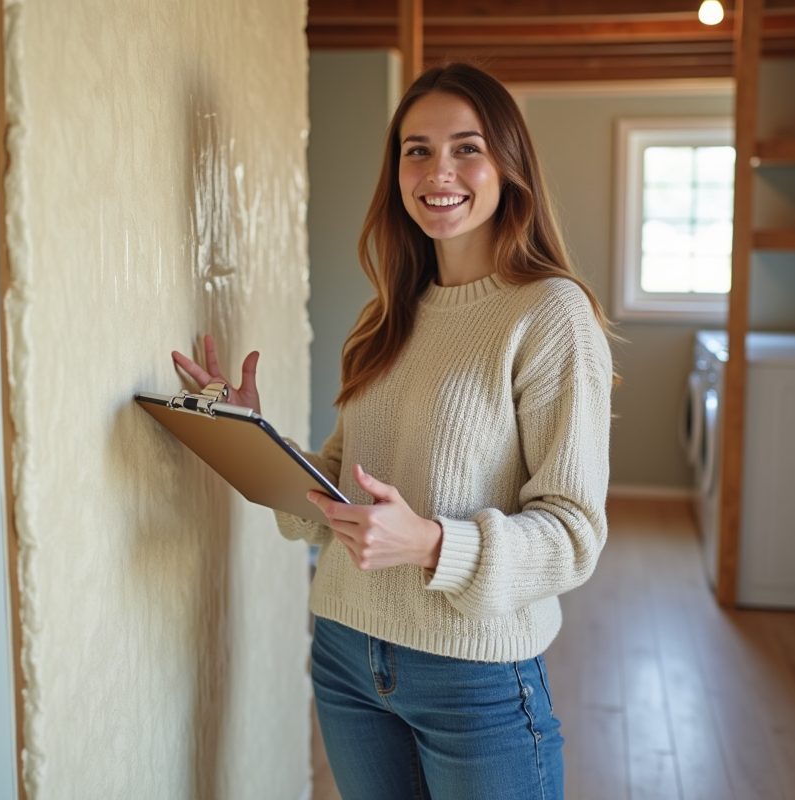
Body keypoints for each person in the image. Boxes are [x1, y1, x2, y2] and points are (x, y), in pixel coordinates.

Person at [173, 62, 612, 800]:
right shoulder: (382, 318)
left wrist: (433, 543)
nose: (439, 171)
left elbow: (574, 535)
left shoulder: (550, 315)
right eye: (417, 150)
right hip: (345, 658)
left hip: (473, 676)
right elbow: (337, 499)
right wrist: (250, 433)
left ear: (508, 165)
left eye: (467, 148)